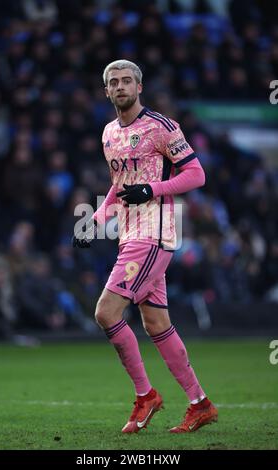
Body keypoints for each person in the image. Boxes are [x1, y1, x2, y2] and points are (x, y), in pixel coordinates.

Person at [73, 59, 218, 434]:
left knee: (106, 313)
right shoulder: (109, 133)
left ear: (140, 87)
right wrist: (96, 221)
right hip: (130, 235)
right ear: (106, 91)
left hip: (154, 234)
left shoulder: (162, 127)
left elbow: (196, 174)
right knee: (155, 323)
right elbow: (118, 187)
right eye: (113, 82)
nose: (120, 87)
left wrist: (152, 189)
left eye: (126, 81)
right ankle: (200, 404)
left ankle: (146, 396)